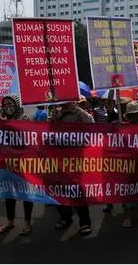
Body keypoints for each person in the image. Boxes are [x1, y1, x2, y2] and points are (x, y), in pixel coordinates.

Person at [49, 101, 93, 236]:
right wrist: (53, 120)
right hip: (58, 158)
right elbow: (47, 133)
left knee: (76, 190)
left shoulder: (81, 114)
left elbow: (91, 132)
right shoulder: (55, 112)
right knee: (58, 189)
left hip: (75, 160)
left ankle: (84, 221)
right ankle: (65, 217)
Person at [0, 94, 34, 236]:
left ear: (17, 105)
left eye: (10, 104)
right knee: (9, 193)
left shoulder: (26, 118)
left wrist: (4, 122)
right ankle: (10, 221)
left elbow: (24, 132)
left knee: (26, 193)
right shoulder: (0, 120)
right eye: (5, 105)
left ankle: (27, 222)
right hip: (7, 163)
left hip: (23, 163)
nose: (8, 107)